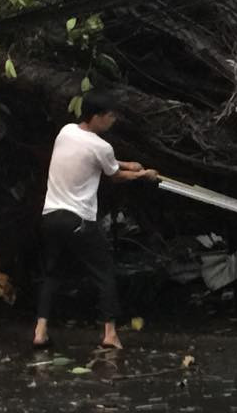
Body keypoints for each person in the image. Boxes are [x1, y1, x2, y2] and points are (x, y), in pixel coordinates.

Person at [33, 91, 159, 350]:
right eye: (110, 116)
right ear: (97, 117)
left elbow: (102, 161)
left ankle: (40, 331)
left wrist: (127, 164)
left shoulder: (66, 132)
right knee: (104, 272)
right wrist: (143, 174)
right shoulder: (102, 146)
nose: (113, 120)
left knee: (52, 273)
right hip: (78, 219)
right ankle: (110, 334)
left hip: (50, 217)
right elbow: (113, 175)